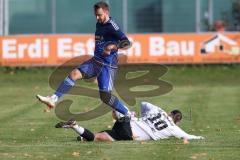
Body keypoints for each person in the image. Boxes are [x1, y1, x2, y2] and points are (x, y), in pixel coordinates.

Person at [36, 1, 132, 116]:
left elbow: (127, 43)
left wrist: (113, 46)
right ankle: (54, 98)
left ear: (106, 12)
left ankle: (128, 114)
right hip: (95, 62)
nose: (97, 17)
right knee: (74, 74)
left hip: (107, 66)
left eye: (99, 15)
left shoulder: (112, 26)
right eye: (95, 15)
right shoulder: (99, 23)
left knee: (105, 97)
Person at [55, 102, 204, 141]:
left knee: (127, 113)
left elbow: (144, 103)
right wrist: (200, 137)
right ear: (177, 122)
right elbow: (188, 136)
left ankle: (75, 126)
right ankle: (75, 127)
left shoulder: (158, 111)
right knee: (96, 138)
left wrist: (157, 112)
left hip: (128, 125)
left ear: (170, 113)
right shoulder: (173, 128)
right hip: (129, 135)